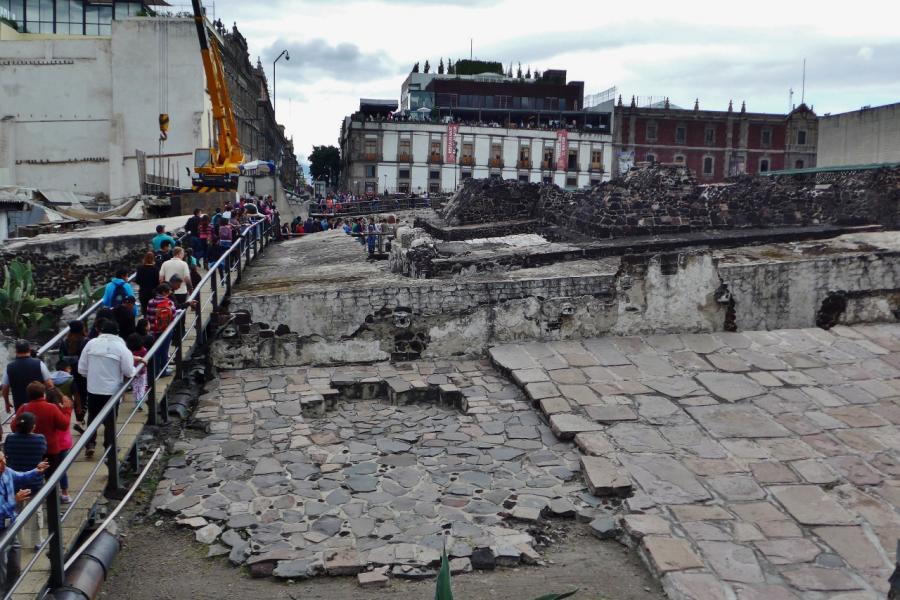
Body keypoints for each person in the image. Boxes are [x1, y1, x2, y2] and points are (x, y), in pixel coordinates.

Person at [77, 320, 139, 458]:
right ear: (117, 333)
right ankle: (109, 447)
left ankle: (90, 444)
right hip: (112, 391)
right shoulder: (121, 348)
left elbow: (81, 368)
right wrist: (135, 368)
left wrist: (93, 376)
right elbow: (129, 371)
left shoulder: (91, 344)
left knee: (92, 417)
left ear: (101, 331)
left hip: (93, 388)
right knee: (111, 420)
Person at [0, 450, 48, 593]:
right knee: (1, 570)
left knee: (14, 567)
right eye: (0, 462)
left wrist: (36, 471)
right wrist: (14, 501)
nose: (4, 463)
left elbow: (21, 476)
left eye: (4, 459)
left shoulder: (7, 472)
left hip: (10, 527)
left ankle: (9, 593)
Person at [3, 411, 46, 548]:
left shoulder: (10, 439)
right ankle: (37, 541)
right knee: (36, 511)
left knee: (15, 511)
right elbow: (44, 451)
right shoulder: (40, 439)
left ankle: (17, 541)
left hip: (15, 483)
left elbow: (7, 453)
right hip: (34, 482)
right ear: (32, 426)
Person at [2, 340, 53, 413]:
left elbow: (5, 388)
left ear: (16, 351)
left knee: (23, 423)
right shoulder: (39, 364)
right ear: (29, 350)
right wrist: (49, 402)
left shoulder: (9, 367)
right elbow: (50, 384)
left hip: (20, 407)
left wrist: (7, 403)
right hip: (39, 405)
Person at [44, 390, 72, 503]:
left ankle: (50, 493)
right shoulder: (65, 410)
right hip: (64, 444)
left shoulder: (48, 411)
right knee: (62, 470)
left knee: (48, 469)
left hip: (51, 445)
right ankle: (65, 492)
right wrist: (67, 408)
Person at [58, 321, 88, 424]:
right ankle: (80, 419)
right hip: (83, 373)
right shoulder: (85, 341)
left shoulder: (64, 341)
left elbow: (61, 357)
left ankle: (79, 418)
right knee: (83, 395)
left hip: (69, 372)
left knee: (76, 394)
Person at [146, 283, 177, 375]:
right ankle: (164, 370)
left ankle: (155, 370)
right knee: (164, 350)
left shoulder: (151, 302)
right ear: (164, 292)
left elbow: (148, 316)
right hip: (165, 330)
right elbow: (174, 315)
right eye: (168, 291)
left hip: (153, 330)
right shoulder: (169, 302)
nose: (170, 293)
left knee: (155, 350)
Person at [125, 334, 148, 411]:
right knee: (141, 387)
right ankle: (140, 401)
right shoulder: (144, 350)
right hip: (142, 371)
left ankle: (137, 401)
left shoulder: (129, 351)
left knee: (135, 387)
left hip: (133, 371)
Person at [134, 251, 159, 316]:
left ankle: (145, 323)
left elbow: (137, 280)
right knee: (153, 310)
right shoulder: (155, 269)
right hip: (153, 292)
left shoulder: (140, 268)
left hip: (143, 292)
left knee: (144, 310)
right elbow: (158, 281)